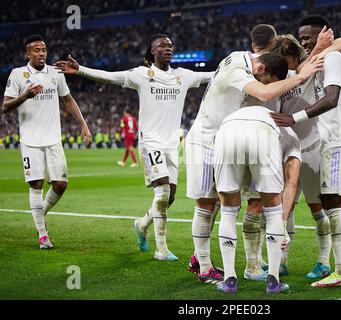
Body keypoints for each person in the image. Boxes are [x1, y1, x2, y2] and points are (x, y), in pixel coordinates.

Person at [55, 34, 214, 261]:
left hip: (171, 145)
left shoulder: (183, 76)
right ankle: (161, 249)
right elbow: (111, 77)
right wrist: (81, 70)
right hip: (150, 141)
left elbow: (212, 76)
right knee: (163, 192)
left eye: (170, 46)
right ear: (152, 52)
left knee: (169, 198)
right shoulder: (142, 74)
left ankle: (141, 225)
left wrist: (241, 66)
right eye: (162, 46)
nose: (168, 48)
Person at [186, 47, 323, 285]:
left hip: (227, 133)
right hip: (223, 136)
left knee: (229, 208)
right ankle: (263, 276)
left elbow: (296, 70)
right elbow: (268, 90)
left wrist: (316, 51)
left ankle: (231, 275)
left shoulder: (253, 64)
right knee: (231, 204)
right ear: (261, 65)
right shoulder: (243, 71)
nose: (268, 84)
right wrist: (300, 76)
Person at [271, 14, 341, 288]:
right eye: (301, 38)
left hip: (337, 139)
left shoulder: (332, 59)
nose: (304, 42)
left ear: (324, 35)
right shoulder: (320, 62)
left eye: (308, 37)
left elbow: (332, 99)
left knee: (334, 205)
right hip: (333, 141)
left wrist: (294, 118)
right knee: (333, 203)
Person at [2, 34, 92, 249]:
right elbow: (5, 107)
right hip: (30, 140)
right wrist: (25, 96)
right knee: (36, 185)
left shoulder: (55, 73)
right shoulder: (18, 75)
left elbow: (68, 100)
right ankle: (43, 235)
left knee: (61, 184)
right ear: (28, 53)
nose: (41, 53)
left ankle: (38, 214)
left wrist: (84, 125)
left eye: (43, 50)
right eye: (36, 50)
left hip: (53, 139)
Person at [214, 106, 302, 293]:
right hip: (262, 133)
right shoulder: (293, 138)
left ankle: (229, 280)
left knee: (228, 211)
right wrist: (283, 223)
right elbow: (291, 184)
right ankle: (273, 281)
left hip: (226, 130)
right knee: (273, 212)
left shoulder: (259, 114)